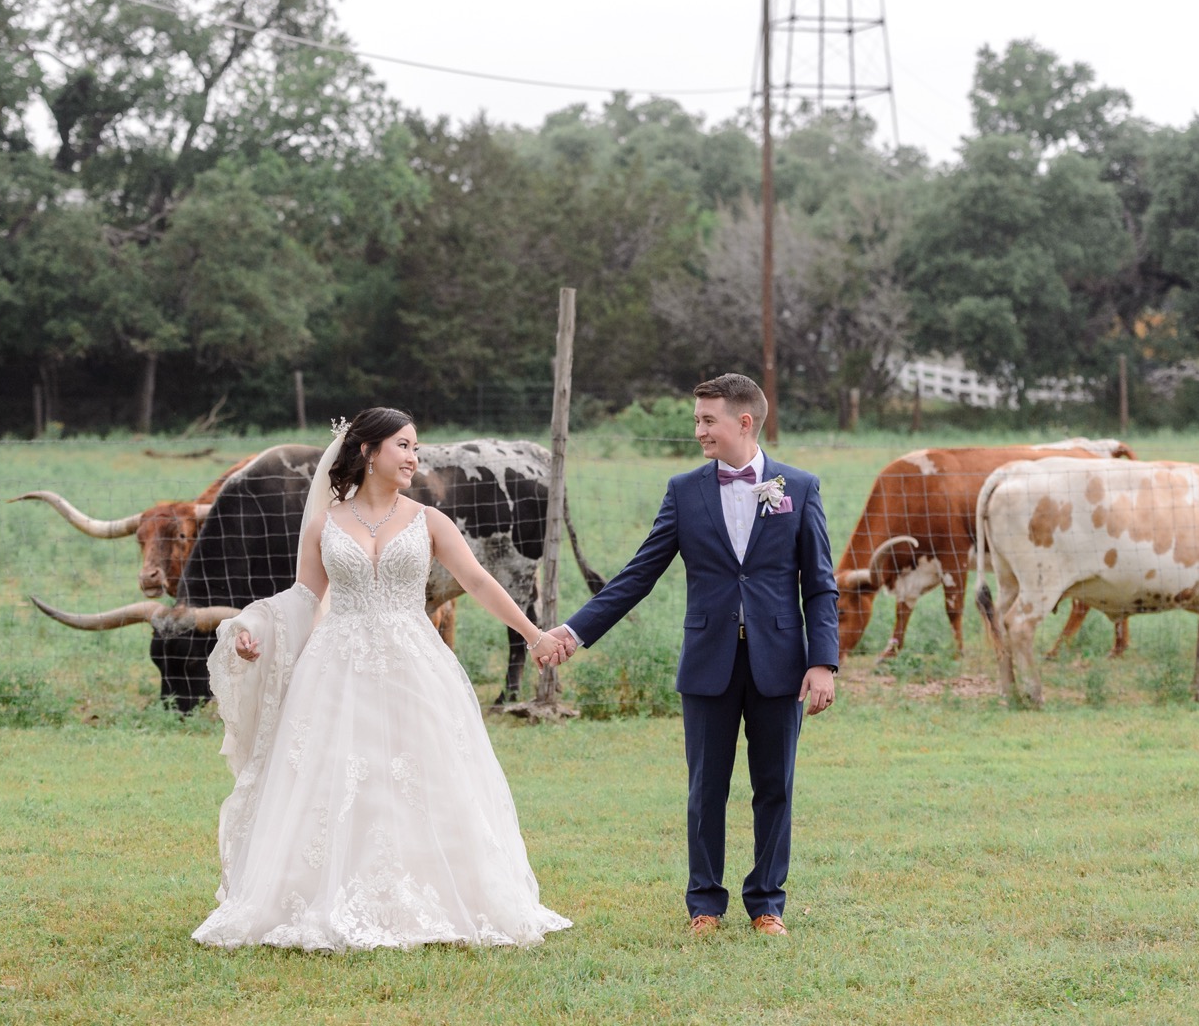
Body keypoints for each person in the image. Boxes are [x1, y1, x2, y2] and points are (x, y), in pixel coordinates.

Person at [192, 407, 572, 951]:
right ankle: (327, 890)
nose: (415, 457)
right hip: (335, 665)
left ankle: (433, 890)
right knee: (341, 774)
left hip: (414, 661)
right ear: (369, 452)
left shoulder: (429, 520)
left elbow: (478, 581)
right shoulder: (326, 522)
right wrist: (250, 627)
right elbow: (303, 598)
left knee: (422, 771)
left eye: (416, 447)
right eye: (404, 445)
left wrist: (534, 634)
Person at [547, 373, 838, 938]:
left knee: (775, 785)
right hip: (708, 662)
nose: (698, 431)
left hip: (781, 663)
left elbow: (820, 585)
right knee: (706, 786)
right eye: (697, 420)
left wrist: (822, 661)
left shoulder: (799, 488)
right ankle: (705, 903)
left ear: (744, 422)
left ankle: (767, 905)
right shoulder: (685, 491)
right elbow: (638, 575)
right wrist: (573, 632)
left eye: (708, 420)